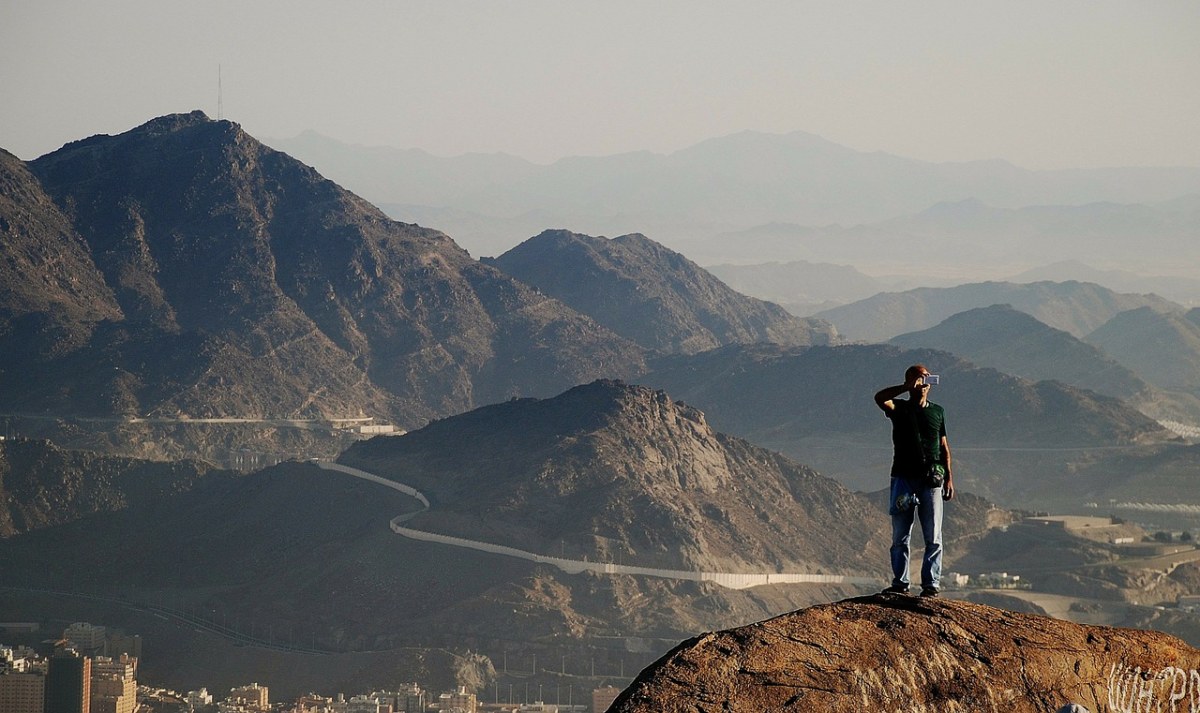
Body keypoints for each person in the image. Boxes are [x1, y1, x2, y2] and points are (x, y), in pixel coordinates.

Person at [874, 364, 954, 597]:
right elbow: (880, 397)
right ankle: (901, 583)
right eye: (918, 378)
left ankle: (931, 585)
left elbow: (944, 446)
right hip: (903, 478)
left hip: (932, 479)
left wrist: (949, 478)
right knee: (900, 535)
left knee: (933, 535)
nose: (923, 382)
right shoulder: (898, 408)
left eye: (926, 378)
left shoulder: (937, 411)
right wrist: (905, 387)